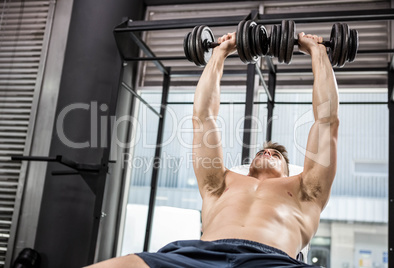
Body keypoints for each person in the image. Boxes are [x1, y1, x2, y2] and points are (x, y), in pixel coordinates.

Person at [87, 30, 339, 268]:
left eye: (276, 155)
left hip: (271, 260)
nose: (267, 153)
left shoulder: (306, 189)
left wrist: (318, 52)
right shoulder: (220, 183)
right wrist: (220, 52)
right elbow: (203, 117)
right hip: (197, 256)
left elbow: (326, 121)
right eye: (262, 152)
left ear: (288, 170)